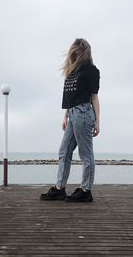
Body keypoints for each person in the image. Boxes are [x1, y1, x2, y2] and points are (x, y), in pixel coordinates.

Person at [40, 38, 100, 202]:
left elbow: (94, 97)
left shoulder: (91, 71)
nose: (74, 54)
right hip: (73, 113)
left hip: (84, 113)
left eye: (78, 51)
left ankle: (86, 190)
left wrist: (97, 121)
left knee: (85, 153)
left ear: (84, 53)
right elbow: (70, 97)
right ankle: (60, 188)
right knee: (64, 151)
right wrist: (66, 115)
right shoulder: (72, 71)